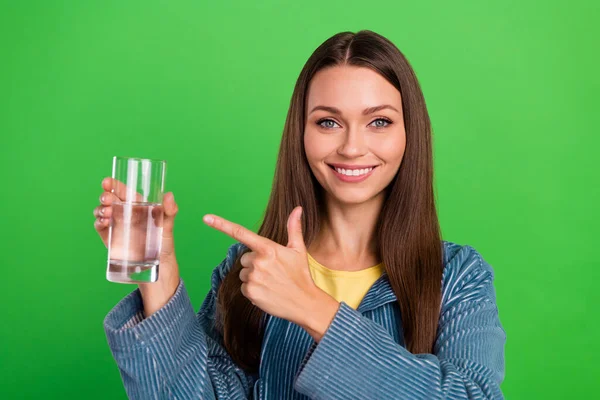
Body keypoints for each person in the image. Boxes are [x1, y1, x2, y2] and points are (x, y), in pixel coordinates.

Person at [95, 30, 506, 399]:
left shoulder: (456, 276)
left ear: (409, 133)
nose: (352, 147)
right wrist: (160, 274)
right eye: (328, 122)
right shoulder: (253, 269)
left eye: (379, 121)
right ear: (301, 133)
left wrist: (313, 308)